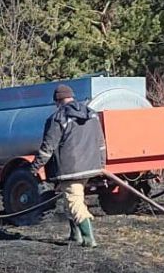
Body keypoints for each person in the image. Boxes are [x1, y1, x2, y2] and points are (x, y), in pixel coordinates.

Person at [29, 84, 106, 247]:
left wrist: (34, 167)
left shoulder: (58, 118)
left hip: (69, 168)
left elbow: (47, 147)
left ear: (57, 101)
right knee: (71, 198)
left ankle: (88, 238)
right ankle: (75, 234)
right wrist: (101, 162)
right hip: (90, 165)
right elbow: (100, 142)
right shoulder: (91, 114)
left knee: (74, 202)